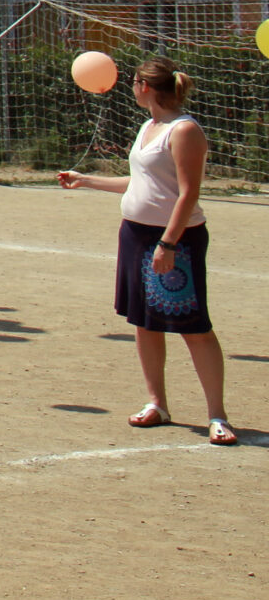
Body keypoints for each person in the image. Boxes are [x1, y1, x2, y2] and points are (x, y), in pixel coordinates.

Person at [57, 58, 236, 445]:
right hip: (135, 235)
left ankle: (217, 415)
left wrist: (168, 243)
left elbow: (188, 193)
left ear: (146, 86)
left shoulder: (184, 130)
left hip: (176, 239)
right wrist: (86, 180)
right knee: (145, 322)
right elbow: (141, 182)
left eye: (134, 81)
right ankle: (157, 404)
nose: (131, 87)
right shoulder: (148, 126)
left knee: (194, 327)